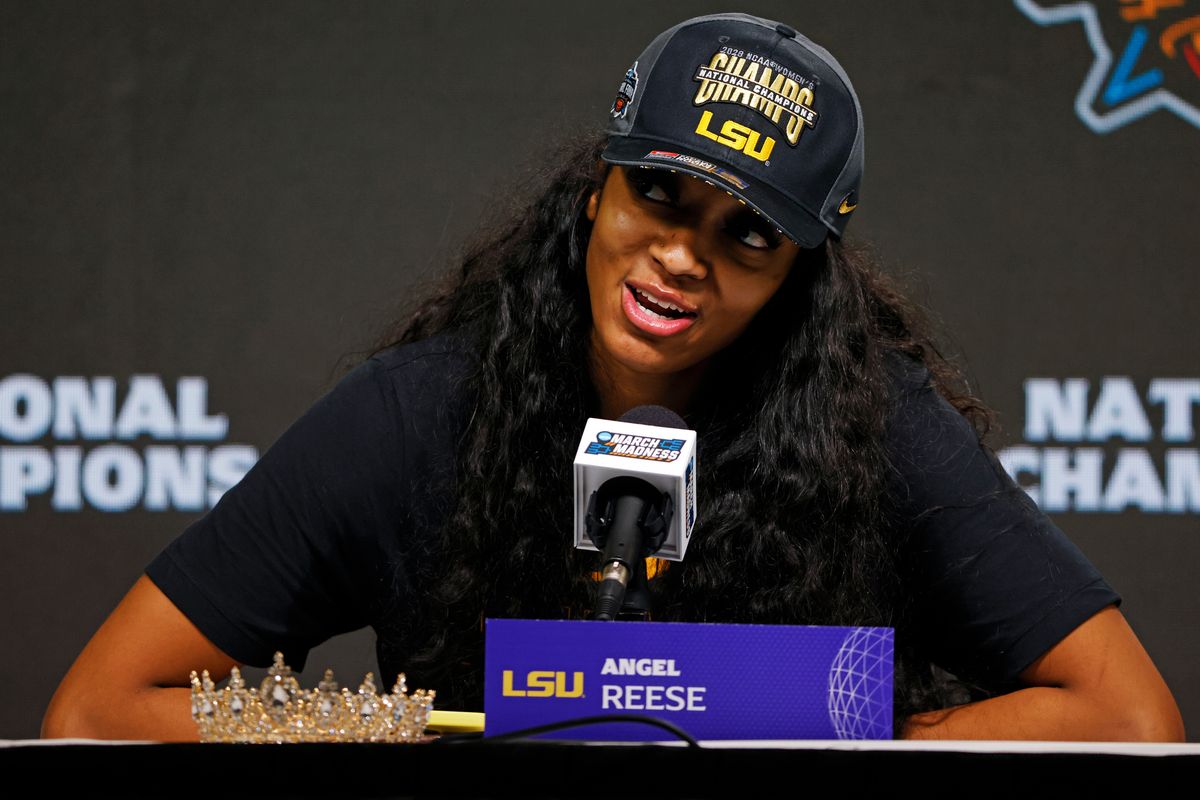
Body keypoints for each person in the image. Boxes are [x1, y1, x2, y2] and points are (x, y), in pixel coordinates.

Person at [43, 12, 1183, 742]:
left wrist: (836, 735)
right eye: (662, 196)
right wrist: (408, 730)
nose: (684, 256)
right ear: (598, 190)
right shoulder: (419, 414)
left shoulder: (876, 428)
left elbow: (1128, 716)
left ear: (799, 274)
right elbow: (98, 709)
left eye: (749, 237)